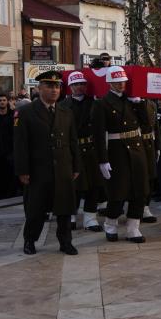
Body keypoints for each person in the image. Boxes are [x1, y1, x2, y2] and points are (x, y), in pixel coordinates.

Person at [14, 71, 80, 255]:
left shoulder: (66, 112)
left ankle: (65, 242)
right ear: (39, 88)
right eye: (49, 86)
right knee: (36, 209)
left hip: (63, 167)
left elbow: (73, 141)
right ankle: (30, 240)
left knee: (65, 209)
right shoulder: (26, 112)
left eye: (57, 86)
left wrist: (76, 166)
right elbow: (20, 144)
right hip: (38, 169)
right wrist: (22, 170)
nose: (54, 90)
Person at [93, 66, 149, 243]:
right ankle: (111, 224)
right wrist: (103, 160)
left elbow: (147, 124)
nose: (121, 85)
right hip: (117, 151)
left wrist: (139, 103)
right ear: (109, 82)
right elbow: (99, 134)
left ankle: (133, 228)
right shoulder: (101, 103)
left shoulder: (132, 100)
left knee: (139, 192)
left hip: (136, 149)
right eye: (117, 82)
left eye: (123, 81)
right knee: (118, 192)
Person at [60, 71, 103, 231]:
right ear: (70, 87)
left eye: (83, 84)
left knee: (93, 185)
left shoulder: (94, 102)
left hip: (91, 149)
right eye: (76, 84)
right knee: (73, 185)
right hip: (72, 149)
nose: (80, 87)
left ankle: (90, 218)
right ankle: (71, 215)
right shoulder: (62, 106)